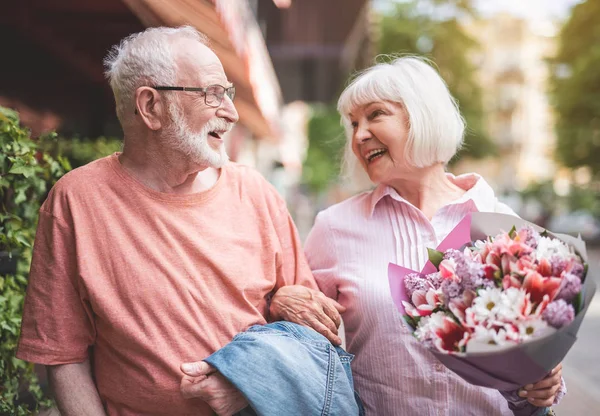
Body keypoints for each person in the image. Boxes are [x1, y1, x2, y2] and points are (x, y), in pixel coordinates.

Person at [16, 26, 343, 416]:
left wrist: (250, 380)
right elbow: (62, 355)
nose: (232, 112)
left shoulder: (257, 194)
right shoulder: (76, 201)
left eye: (229, 93)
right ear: (151, 106)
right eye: (212, 93)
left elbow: (319, 339)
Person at [272, 56, 564, 415]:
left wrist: (543, 381)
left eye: (376, 115)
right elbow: (299, 336)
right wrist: (282, 298)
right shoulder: (334, 228)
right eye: (353, 124)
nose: (360, 134)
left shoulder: (505, 224)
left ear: (423, 116)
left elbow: (529, 364)